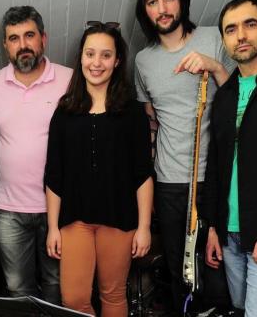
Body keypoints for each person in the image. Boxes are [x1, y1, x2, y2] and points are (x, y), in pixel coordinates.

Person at [134, 0, 235, 315]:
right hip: (170, 183)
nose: (162, 9)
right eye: (152, 2)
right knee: (181, 272)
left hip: (215, 178)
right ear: (144, 10)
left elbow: (242, 104)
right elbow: (152, 119)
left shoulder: (214, 38)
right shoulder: (143, 61)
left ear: (182, 0)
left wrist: (216, 67)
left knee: (219, 270)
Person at [45, 21, 153, 316]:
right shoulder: (64, 112)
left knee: (114, 295)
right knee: (74, 299)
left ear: (117, 61)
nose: (97, 63)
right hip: (74, 221)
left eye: (106, 55)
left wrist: (144, 227)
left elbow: (143, 174)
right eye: (90, 54)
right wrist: (53, 228)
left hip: (119, 221)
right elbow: (54, 175)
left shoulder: (132, 113)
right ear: (80, 58)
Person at [0, 6, 72, 303]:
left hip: (59, 208)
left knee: (57, 287)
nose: (23, 45)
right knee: (18, 292)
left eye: (29, 35)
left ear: (43, 38)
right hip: (8, 212)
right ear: (5, 45)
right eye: (14, 38)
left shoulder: (71, 81)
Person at [204, 0, 257, 317]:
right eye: (231, 29)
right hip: (229, 235)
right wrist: (213, 228)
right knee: (239, 307)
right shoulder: (225, 95)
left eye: (250, 24)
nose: (241, 35)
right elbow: (216, 166)